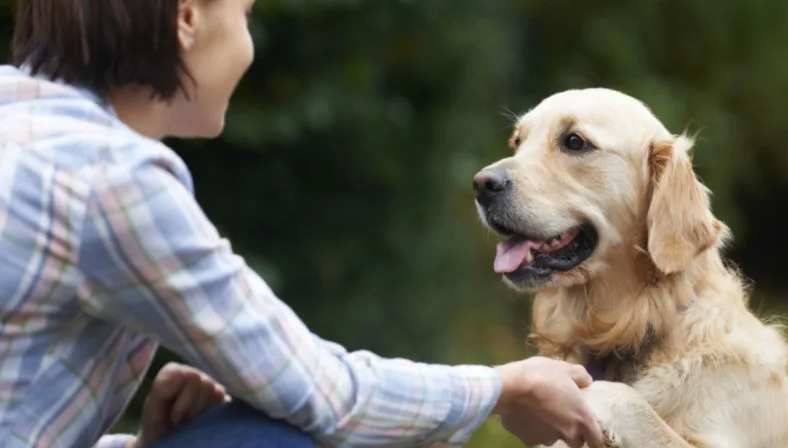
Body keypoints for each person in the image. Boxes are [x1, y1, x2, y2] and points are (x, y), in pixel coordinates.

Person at [0, 0, 605, 447]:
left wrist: (139, 444)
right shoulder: (113, 178)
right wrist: (505, 387)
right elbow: (324, 395)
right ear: (188, 18)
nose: (248, 45)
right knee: (269, 434)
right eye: (245, 15)